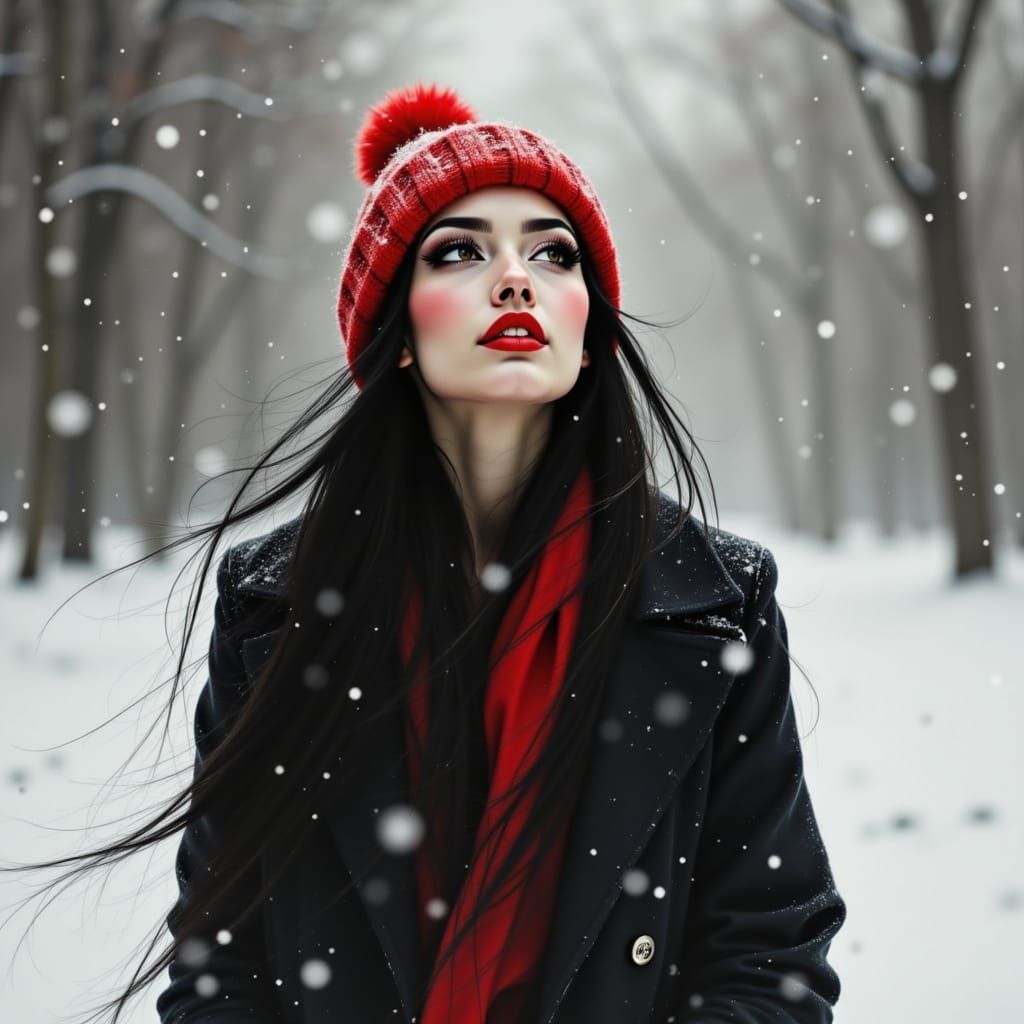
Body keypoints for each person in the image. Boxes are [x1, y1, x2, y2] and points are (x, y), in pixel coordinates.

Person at [16, 82, 846, 1024]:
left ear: (589, 326)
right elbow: (225, 967)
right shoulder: (277, 609)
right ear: (395, 331)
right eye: (461, 251)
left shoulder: (711, 602)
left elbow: (771, 952)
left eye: (552, 251)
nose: (516, 278)